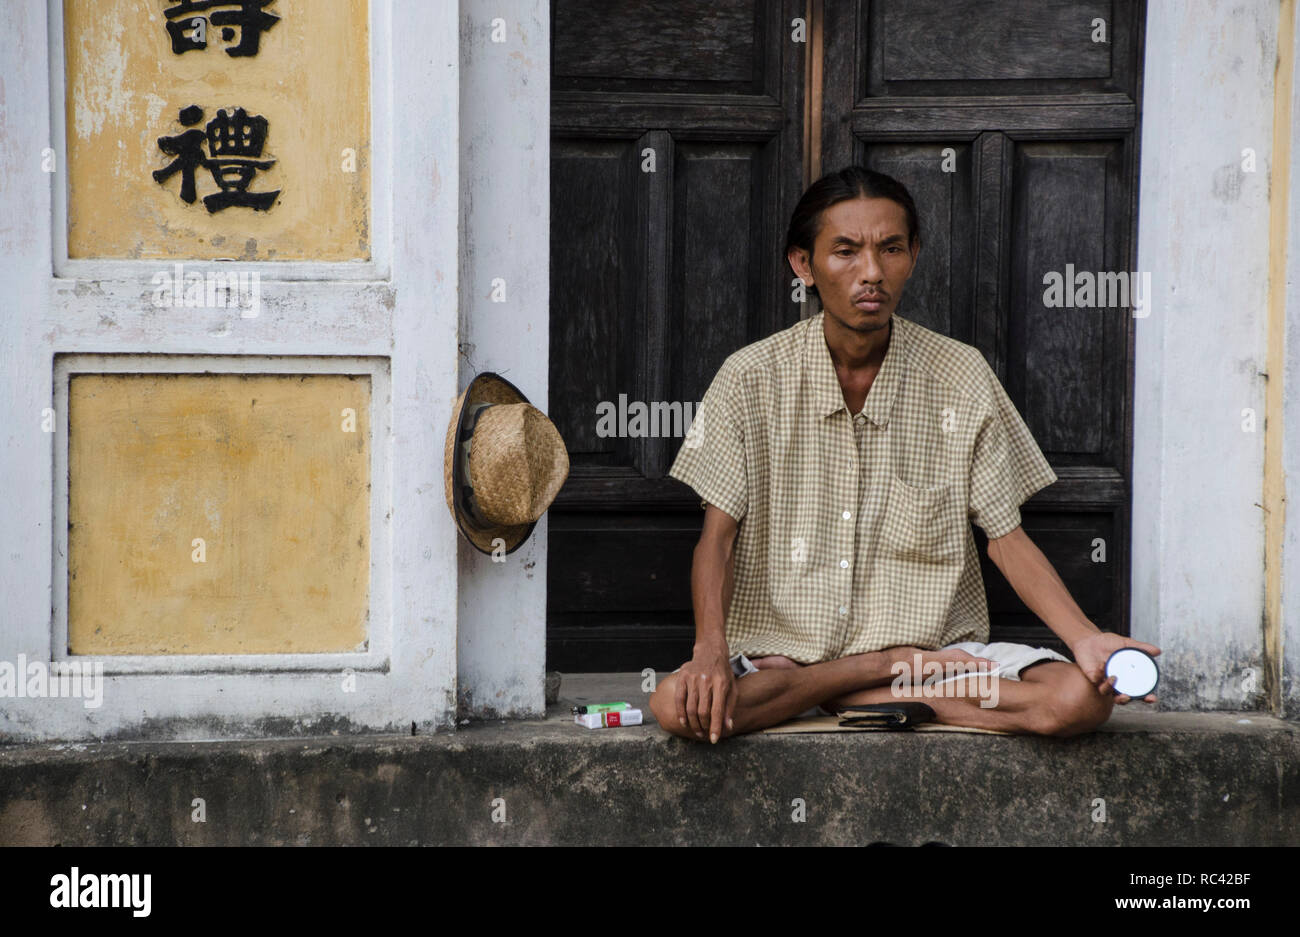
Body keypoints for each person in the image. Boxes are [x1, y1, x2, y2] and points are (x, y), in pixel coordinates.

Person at [648, 166, 1160, 744]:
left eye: (890, 248)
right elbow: (715, 538)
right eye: (845, 251)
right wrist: (710, 651)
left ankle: (843, 695)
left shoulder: (960, 374)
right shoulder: (750, 378)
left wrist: (1085, 638)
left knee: (1077, 701)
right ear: (802, 264)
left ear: (912, 255)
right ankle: (863, 678)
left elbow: (1005, 536)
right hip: (785, 655)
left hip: (935, 658)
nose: (871, 272)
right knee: (677, 704)